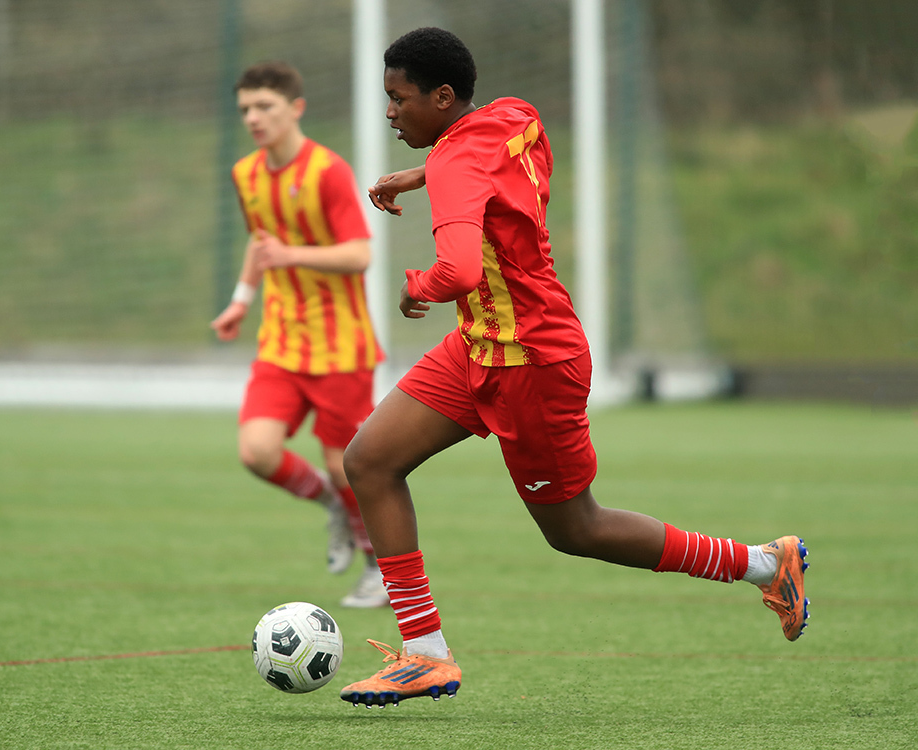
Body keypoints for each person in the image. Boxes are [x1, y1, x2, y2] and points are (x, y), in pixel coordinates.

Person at [338, 27, 809, 707]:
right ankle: (425, 653)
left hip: (531, 361)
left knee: (576, 529)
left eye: (398, 99)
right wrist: (425, 166)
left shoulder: (453, 165)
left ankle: (767, 563)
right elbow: (488, 156)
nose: (389, 113)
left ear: (442, 97)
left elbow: (460, 268)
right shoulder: (515, 115)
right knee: (369, 461)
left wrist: (417, 286)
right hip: (479, 346)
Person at [210, 61, 389, 609]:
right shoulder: (246, 174)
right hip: (282, 342)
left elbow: (360, 253)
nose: (254, 118)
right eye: (245, 109)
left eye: (264, 106)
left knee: (345, 466)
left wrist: (292, 255)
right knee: (257, 451)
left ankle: (379, 566)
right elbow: (261, 242)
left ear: (296, 108)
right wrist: (241, 300)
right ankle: (333, 505)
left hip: (341, 346)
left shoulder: (328, 171)